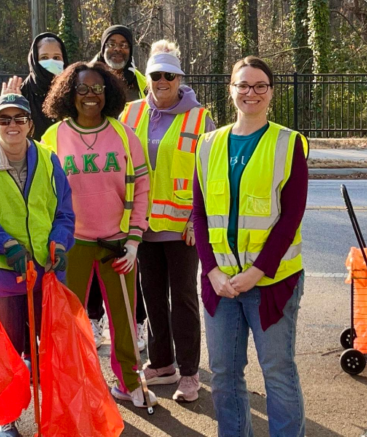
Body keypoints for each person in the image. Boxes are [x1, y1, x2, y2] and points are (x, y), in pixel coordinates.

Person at [194, 56, 309, 436]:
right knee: (225, 375)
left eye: (260, 85)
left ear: (271, 92)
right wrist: (211, 271)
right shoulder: (207, 145)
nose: (251, 92)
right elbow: (199, 213)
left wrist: (256, 272)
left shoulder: (288, 143)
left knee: (277, 371)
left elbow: (290, 217)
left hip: (271, 283)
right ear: (231, 91)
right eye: (243, 85)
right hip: (221, 283)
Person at [41, 61, 157, 409]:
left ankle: (130, 382)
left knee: (123, 319)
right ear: (68, 94)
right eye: (81, 88)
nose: (90, 95)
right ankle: (73, 385)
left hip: (118, 243)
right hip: (71, 244)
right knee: (69, 322)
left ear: (108, 92)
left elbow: (142, 188)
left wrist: (135, 238)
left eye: (97, 88)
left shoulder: (123, 134)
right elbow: (41, 195)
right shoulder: (53, 137)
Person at [0, 93, 75, 437]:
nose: (12, 126)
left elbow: (64, 213)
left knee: (51, 346)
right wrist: (4, 243)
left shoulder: (49, 159)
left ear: (30, 123)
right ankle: (5, 418)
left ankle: (53, 412)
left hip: (46, 270)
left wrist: (60, 242)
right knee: (6, 349)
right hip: (3, 274)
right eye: (4, 119)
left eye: (19, 118)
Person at [120, 40, 216, 403]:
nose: (162, 81)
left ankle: (189, 373)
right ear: (146, 78)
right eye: (156, 75)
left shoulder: (199, 117)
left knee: (185, 300)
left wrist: (198, 218)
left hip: (182, 228)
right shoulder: (130, 114)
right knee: (152, 298)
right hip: (141, 226)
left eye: (169, 75)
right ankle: (162, 364)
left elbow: (209, 173)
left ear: (179, 78)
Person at [89, 24, 149, 348]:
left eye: (123, 44)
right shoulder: (89, 77)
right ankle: (94, 320)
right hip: (96, 174)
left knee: (129, 255)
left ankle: (136, 322)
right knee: (97, 254)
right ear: (103, 47)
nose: (117, 49)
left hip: (130, 175)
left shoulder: (141, 83)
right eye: (111, 43)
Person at [0, 32, 69, 140]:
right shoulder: (21, 93)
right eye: (44, 57)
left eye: (56, 57)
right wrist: (7, 107)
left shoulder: (72, 92)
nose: (51, 62)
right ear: (34, 60)